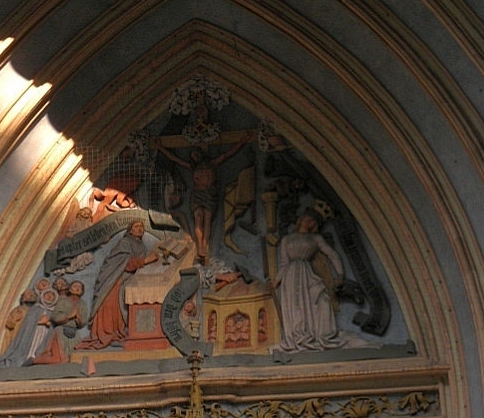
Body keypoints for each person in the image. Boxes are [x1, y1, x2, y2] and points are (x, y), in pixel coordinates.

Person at [269, 212, 375, 353]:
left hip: (307, 273)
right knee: (295, 305)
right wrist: (276, 280)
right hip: (291, 275)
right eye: (308, 219)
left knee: (322, 301)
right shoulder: (287, 239)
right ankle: (299, 337)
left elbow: (332, 254)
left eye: (314, 221)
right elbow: (284, 263)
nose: (310, 223)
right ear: (301, 220)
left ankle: (319, 335)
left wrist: (340, 274)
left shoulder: (315, 238)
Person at [153, 134, 252, 263]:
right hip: (197, 195)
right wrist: (160, 147)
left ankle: (205, 244)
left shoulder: (212, 164)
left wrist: (243, 140)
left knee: (207, 219)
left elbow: (228, 154)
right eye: (193, 156)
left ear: (201, 154)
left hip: (209, 195)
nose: (195, 157)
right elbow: (175, 159)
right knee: (198, 219)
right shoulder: (193, 167)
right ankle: (199, 246)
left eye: (196, 154)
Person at [76, 220, 159, 349]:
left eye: (142, 226)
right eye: (136, 226)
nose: (140, 229)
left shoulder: (141, 246)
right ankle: (107, 334)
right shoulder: (125, 242)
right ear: (130, 230)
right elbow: (124, 262)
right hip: (114, 278)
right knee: (111, 305)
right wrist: (147, 260)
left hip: (126, 279)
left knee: (121, 308)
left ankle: (117, 333)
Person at [32, 281, 87, 365]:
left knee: (74, 355)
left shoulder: (82, 304)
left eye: (80, 287)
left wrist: (78, 317)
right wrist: (69, 316)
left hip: (74, 332)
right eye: (75, 286)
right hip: (61, 330)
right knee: (59, 355)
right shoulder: (63, 301)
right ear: (70, 289)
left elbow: (83, 322)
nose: (77, 288)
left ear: (82, 291)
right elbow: (55, 316)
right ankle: (35, 361)